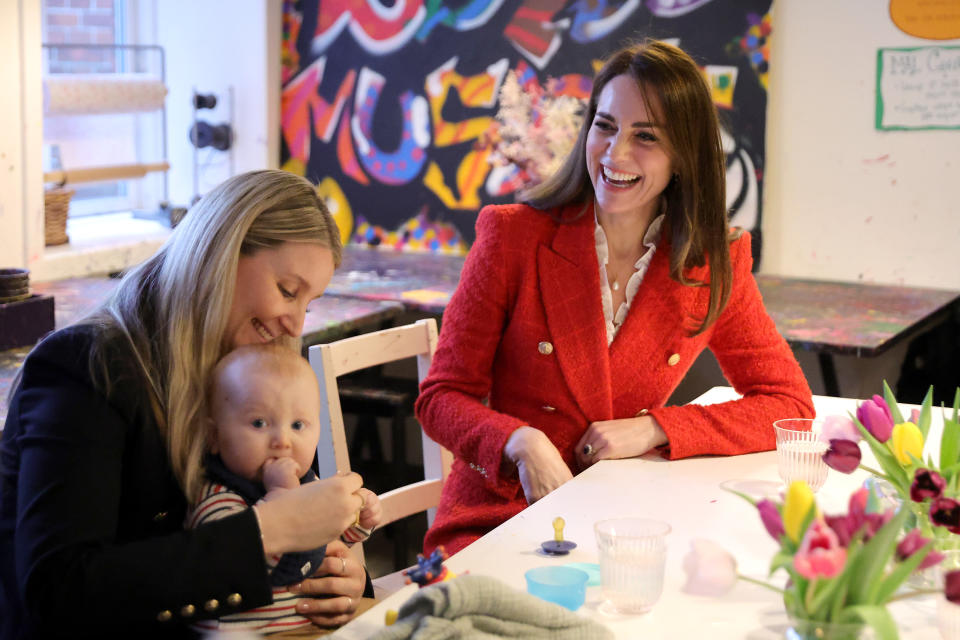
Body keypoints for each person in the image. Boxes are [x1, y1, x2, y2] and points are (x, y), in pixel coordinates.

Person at [415, 40, 815, 555]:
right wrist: (519, 441)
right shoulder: (512, 236)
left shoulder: (714, 261)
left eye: (645, 136)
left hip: (626, 519)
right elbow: (441, 398)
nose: (615, 153)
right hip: (500, 518)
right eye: (605, 126)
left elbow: (789, 406)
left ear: (684, 156)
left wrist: (654, 428)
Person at [0, 170, 372, 638]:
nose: (296, 324)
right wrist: (268, 532)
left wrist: (338, 576)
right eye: (287, 290)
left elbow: (288, 506)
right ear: (220, 255)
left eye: (309, 304)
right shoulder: (86, 367)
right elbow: (59, 591)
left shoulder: (245, 371)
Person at [189, 343, 382, 634]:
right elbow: (234, 566)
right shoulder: (218, 498)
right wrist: (282, 497)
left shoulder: (309, 484)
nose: (282, 441)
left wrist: (358, 521)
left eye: (297, 425)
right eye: (259, 423)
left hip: (309, 626)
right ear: (213, 436)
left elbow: (328, 542)